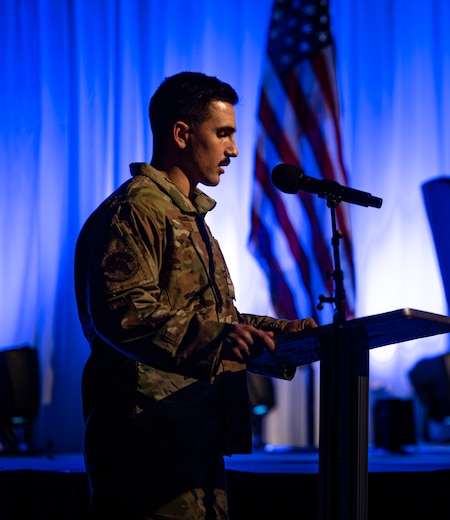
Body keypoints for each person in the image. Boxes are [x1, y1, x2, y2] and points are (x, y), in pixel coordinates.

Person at [74, 71, 317, 519]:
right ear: (182, 134)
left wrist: (295, 334)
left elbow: (218, 318)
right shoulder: (132, 213)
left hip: (196, 443)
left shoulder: (188, 217)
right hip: (145, 449)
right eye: (223, 133)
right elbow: (124, 315)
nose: (234, 150)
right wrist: (216, 339)